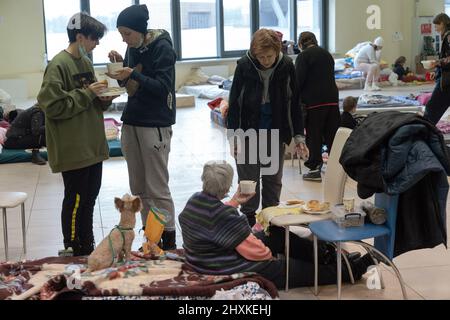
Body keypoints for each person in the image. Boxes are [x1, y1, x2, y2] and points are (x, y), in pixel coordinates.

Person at [179, 160, 374, 289]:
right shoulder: (227, 217)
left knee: (275, 233)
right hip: (223, 265)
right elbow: (257, 253)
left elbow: (214, 218)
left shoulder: (194, 202)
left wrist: (235, 202)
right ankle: (350, 270)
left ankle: (326, 256)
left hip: (204, 258)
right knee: (291, 269)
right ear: (227, 186)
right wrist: (269, 256)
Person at [37, 12, 115, 256]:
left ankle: (87, 244)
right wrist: (88, 93)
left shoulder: (86, 63)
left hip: (92, 144)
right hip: (73, 147)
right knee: (75, 200)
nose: (97, 44)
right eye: (94, 39)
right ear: (80, 37)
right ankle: (71, 247)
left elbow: (90, 100)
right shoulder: (58, 65)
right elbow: (52, 106)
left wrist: (104, 99)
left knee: (90, 198)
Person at [107, 4, 177, 250]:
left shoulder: (162, 47)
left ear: (139, 30)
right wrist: (121, 69)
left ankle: (167, 239)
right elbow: (131, 84)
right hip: (133, 120)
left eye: (127, 33)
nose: (124, 39)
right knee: (139, 187)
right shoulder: (132, 47)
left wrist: (133, 75)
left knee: (157, 187)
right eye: (121, 34)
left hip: (155, 121)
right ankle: (151, 237)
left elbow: (163, 88)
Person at [227, 28, 307, 227]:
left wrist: (299, 137)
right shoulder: (244, 65)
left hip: (274, 132)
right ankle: (248, 222)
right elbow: (234, 103)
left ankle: (271, 224)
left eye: (269, 56)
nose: (265, 60)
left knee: (272, 181)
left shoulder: (287, 66)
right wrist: (234, 137)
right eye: (260, 56)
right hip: (247, 132)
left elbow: (295, 103)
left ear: (277, 50)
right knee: (248, 181)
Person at [295, 31, 340, 182]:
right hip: (332, 99)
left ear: (300, 44)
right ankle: (336, 169)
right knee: (332, 135)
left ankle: (314, 169)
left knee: (314, 136)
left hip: (314, 102)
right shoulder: (327, 54)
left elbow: (298, 81)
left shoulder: (303, 56)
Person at [424, 13, 450, 125]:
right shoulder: (445, 36)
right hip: (445, 77)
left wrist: (437, 63)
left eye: (436, 25)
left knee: (432, 107)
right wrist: (437, 70)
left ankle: (424, 129)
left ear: (443, 23)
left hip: (447, 81)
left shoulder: (448, 36)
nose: (435, 27)